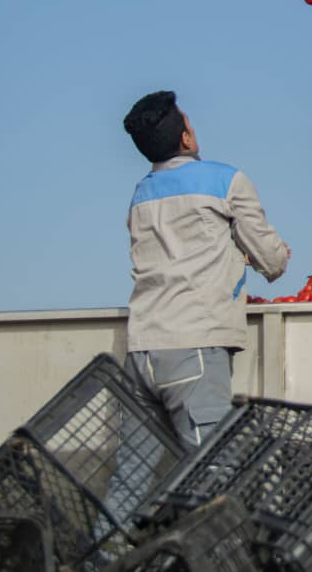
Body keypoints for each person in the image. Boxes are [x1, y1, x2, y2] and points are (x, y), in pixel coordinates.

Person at [122, 90, 290, 447]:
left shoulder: (141, 194)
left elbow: (179, 254)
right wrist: (273, 255)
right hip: (193, 347)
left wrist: (232, 256)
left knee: (130, 480)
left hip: (141, 351)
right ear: (186, 137)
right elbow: (272, 262)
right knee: (210, 472)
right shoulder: (224, 180)